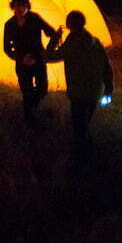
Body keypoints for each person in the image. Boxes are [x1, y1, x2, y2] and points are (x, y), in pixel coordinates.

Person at [44, 11, 113, 169]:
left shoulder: (71, 46)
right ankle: (90, 157)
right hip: (94, 92)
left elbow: (48, 56)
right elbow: (107, 68)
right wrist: (108, 89)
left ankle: (81, 162)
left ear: (69, 26)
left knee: (79, 129)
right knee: (84, 125)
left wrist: (55, 38)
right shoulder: (95, 43)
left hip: (79, 94)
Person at [3, 0, 58, 126]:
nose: (20, 9)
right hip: (22, 63)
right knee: (26, 91)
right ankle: (29, 121)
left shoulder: (35, 18)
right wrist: (20, 58)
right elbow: (6, 47)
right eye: (17, 6)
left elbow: (50, 31)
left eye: (22, 6)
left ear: (27, 6)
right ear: (13, 7)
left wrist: (53, 43)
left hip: (38, 59)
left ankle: (30, 109)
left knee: (42, 88)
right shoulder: (9, 24)